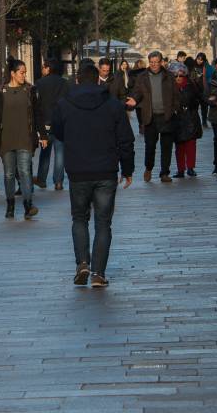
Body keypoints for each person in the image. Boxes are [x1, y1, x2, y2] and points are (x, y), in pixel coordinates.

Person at [51, 62, 134, 289]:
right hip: (106, 170)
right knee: (103, 223)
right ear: (98, 79)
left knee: (79, 218)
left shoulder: (64, 104)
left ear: (77, 79)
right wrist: (128, 169)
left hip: (77, 170)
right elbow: (126, 139)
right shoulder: (113, 105)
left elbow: (57, 131)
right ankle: (98, 273)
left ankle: (83, 263)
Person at [0, 58, 44, 220]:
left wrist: (43, 135)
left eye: (25, 73)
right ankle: (10, 205)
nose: (24, 75)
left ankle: (28, 204)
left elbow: (37, 114)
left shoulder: (30, 91)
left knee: (25, 172)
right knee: (9, 174)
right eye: (21, 72)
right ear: (12, 73)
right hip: (6, 139)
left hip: (25, 138)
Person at [126, 51, 177, 183]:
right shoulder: (142, 76)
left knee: (166, 146)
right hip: (150, 117)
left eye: (156, 62)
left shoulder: (169, 76)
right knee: (150, 146)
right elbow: (137, 92)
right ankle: (148, 168)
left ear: (161, 62)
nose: (154, 64)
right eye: (152, 62)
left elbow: (175, 95)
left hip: (166, 116)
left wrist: (176, 110)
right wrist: (134, 101)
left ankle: (164, 173)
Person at [34, 59, 70, 190]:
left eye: (44, 67)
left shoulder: (40, 83)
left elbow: (36, 103)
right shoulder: (65, 83)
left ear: (48, 68)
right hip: (61, 121)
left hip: (46, 122)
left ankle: (42, 179)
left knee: (45, 151)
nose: (42, 70)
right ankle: (58, 181)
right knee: (60, 152)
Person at [169, 62, 203, 178]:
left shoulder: (191, 85)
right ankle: (180, 169)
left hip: (190, 118)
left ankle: (190, 168)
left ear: (184, 75)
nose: (178, 78)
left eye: (180, 75)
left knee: (191, 144)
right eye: (175, 75)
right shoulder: (169, 88)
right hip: (177, 119)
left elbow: (199, 98)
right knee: (179, 146)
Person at [194, 52, 214, 129]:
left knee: (204, 107)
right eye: (198, 59)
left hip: (204, 90)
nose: (199, 61)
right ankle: (196, 123)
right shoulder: (193, 66)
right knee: (194, 108)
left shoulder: (207, 67)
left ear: (204, 60)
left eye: (201, 60)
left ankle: (204, 122)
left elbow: (211, 77)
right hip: (195, 90)